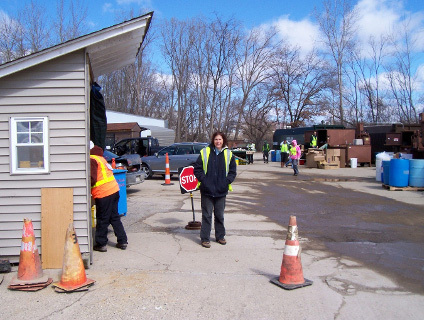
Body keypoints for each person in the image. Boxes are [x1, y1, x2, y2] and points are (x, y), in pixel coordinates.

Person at [193, 132, 237, 248]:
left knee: (219, 215)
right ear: (213, 140)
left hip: (221, 191)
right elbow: (197, 169)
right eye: (216, 139)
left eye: (220, 139)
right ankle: (205, 238)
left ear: (223, 141)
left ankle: (220, 236)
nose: (218, 141)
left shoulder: (229, 154)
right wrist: (204, 181)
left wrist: (226, 182)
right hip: (207, 190)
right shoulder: (205, 152)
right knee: (206, 215)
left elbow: (233, 171)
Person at [90, 142, 128, 252]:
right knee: (114, 217)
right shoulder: (100, 158)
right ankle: (122, 241)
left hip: (103, 193)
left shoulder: (92, 159)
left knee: (102, 219)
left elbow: (92, 178)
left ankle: (101, 244)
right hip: (114, 190)